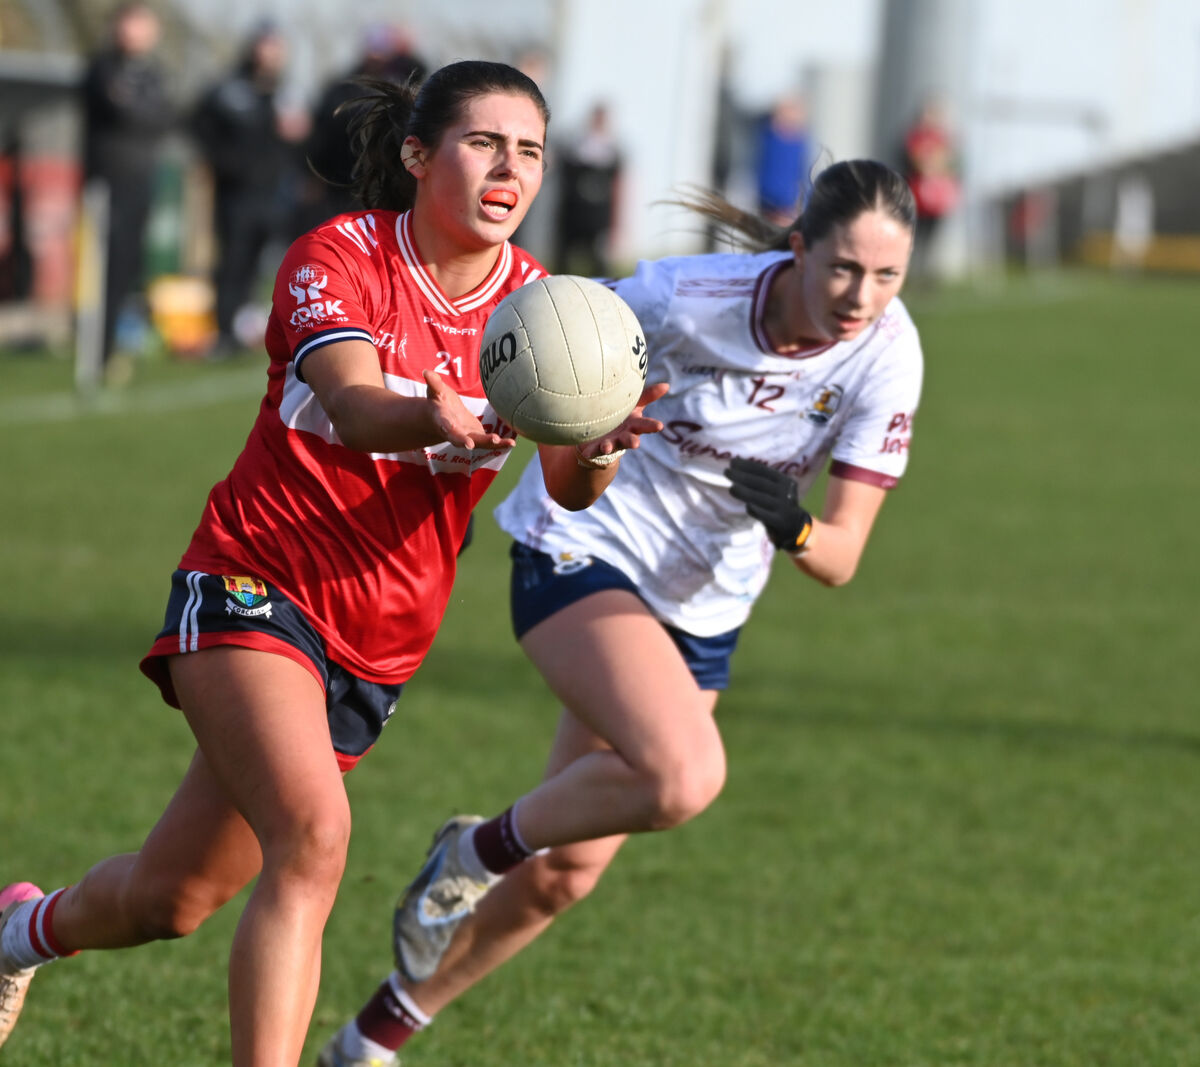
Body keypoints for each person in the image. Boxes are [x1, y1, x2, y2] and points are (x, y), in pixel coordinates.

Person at [0, 60, 665, 1066]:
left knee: (172, 897)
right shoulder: (338, 256)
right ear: (418, 155)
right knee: (314, 841)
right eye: (484, 143)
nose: (510, 169)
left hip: (379, 643)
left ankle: (18, 931)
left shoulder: (545, 306)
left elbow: (572, 484)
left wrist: (601, 447)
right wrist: (433, 415)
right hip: (255, 580)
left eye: (529, 150)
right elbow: (354, 406)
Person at [320, 158, 924, 1067]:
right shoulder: (684, 296)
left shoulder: (889, 356)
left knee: (567, 871)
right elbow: (536, 330)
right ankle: (474, 853)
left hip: (704, 603)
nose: (861, 295)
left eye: (887, 275)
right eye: (843, 267)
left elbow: (840, 557)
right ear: (798, 249)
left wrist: (795, 527)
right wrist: (477, 427)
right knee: (683, 776)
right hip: (584, 546)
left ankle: (371, 1040)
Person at [191, 22, 308, 359]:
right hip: (236, 194)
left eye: (276, 48)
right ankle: (224, 333)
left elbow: (301, 139)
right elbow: (199, 125)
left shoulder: (287, 93)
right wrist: (222, 163)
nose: (270, 54)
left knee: (267, 266)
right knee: (233, 262)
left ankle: (253, 331)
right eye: (266, 46)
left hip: (275, 194)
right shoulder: (230, 90)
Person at [80, 1, 173, 377]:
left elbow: (163, 116)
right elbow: (124, 112)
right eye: (130, 23)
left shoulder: (154, 73)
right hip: (106, 185)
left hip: (141, 181)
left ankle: (114, 344)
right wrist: (139, 111)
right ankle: (95, 349)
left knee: (130, 267)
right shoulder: (102, 68)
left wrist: (140, 109)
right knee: (103, 267)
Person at [300, 24, 429, 231]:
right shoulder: (342, 87)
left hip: (385, 182)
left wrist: (407, 52)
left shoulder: (400, 86)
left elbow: (422, 75)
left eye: (383, 50)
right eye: (373, 49)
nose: (377, 56)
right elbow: (319, 135)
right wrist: (311, 176)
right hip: (340, 180)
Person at [552, 102, 623, 276]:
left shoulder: (612, 150)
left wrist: (616, 221)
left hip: (598, 217)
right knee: (565, 260)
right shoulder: (575, 146)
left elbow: (616, 186)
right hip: (573, 213)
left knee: (598, 263)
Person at [901, 95, 960, 282]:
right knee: (913, 236)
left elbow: (950, 163)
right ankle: (909, 272)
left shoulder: (944, 139)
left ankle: (925, 274)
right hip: (916, 195)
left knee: (930, 239)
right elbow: (913, 160)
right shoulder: (914, 137)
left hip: (936, 198)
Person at [754, 93, 811, 227]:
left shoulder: (799, 142)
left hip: (788, 203)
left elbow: (801, 174)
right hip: (772, 201)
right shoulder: (769, 138)